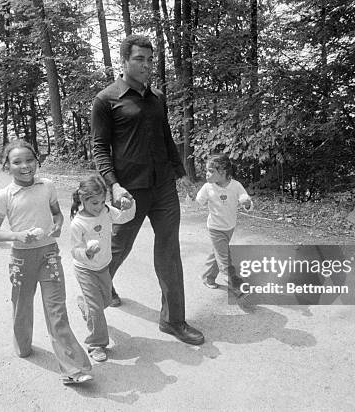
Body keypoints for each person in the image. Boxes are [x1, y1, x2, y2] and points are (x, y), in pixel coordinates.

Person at [91, 34, 204, 346]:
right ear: (124, 61)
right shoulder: (106, 100)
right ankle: (96, 295)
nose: (146, 65)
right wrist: (113, 186)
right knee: (117, 248)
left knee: (169, 251)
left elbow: (166, 138)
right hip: (129, 190)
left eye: (150, 60)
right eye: (139, 59)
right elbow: (99, 147)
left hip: (163, 186)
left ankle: (173, 321)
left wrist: (180, 173)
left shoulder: (157, 98)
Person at [0, 140, 93, 385]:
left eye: (29, 160)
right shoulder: (4, 196)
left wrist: (57, 224)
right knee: (22, 307)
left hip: (49, 255)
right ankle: (22, 344)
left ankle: (74, 368)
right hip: (21, 260)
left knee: (57, 311)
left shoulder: (47, 186)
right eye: (17, 162)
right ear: (7, 166)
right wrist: (17, 235)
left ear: (37, 161)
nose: (25, 166)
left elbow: (57, 213)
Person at [69, 174, 136, 362]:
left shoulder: (106, 211)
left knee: (105, 301)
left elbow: (123, 218)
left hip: (103, 265)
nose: (98, 207)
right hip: (85, 269)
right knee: (97, 308)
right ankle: (96, 344)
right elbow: (75, 250)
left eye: (101, 202)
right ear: (83, 200)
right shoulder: (78, 223)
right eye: (94, 204)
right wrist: (87, 254)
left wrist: (130, 205)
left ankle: (85, 305)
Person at [195, 153, 253, 289]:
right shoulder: (207, 187)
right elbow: (199, 201)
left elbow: (245, 199)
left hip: (229, 227)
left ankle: (208, 278)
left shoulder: (236, 186)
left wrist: (247, 203)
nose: (207, 175)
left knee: (218, 253)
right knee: (224, 258)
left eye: (211, 171)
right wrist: (193, 198)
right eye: (206, 171)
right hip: (215, 228)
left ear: (223, 172)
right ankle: (236, 285)